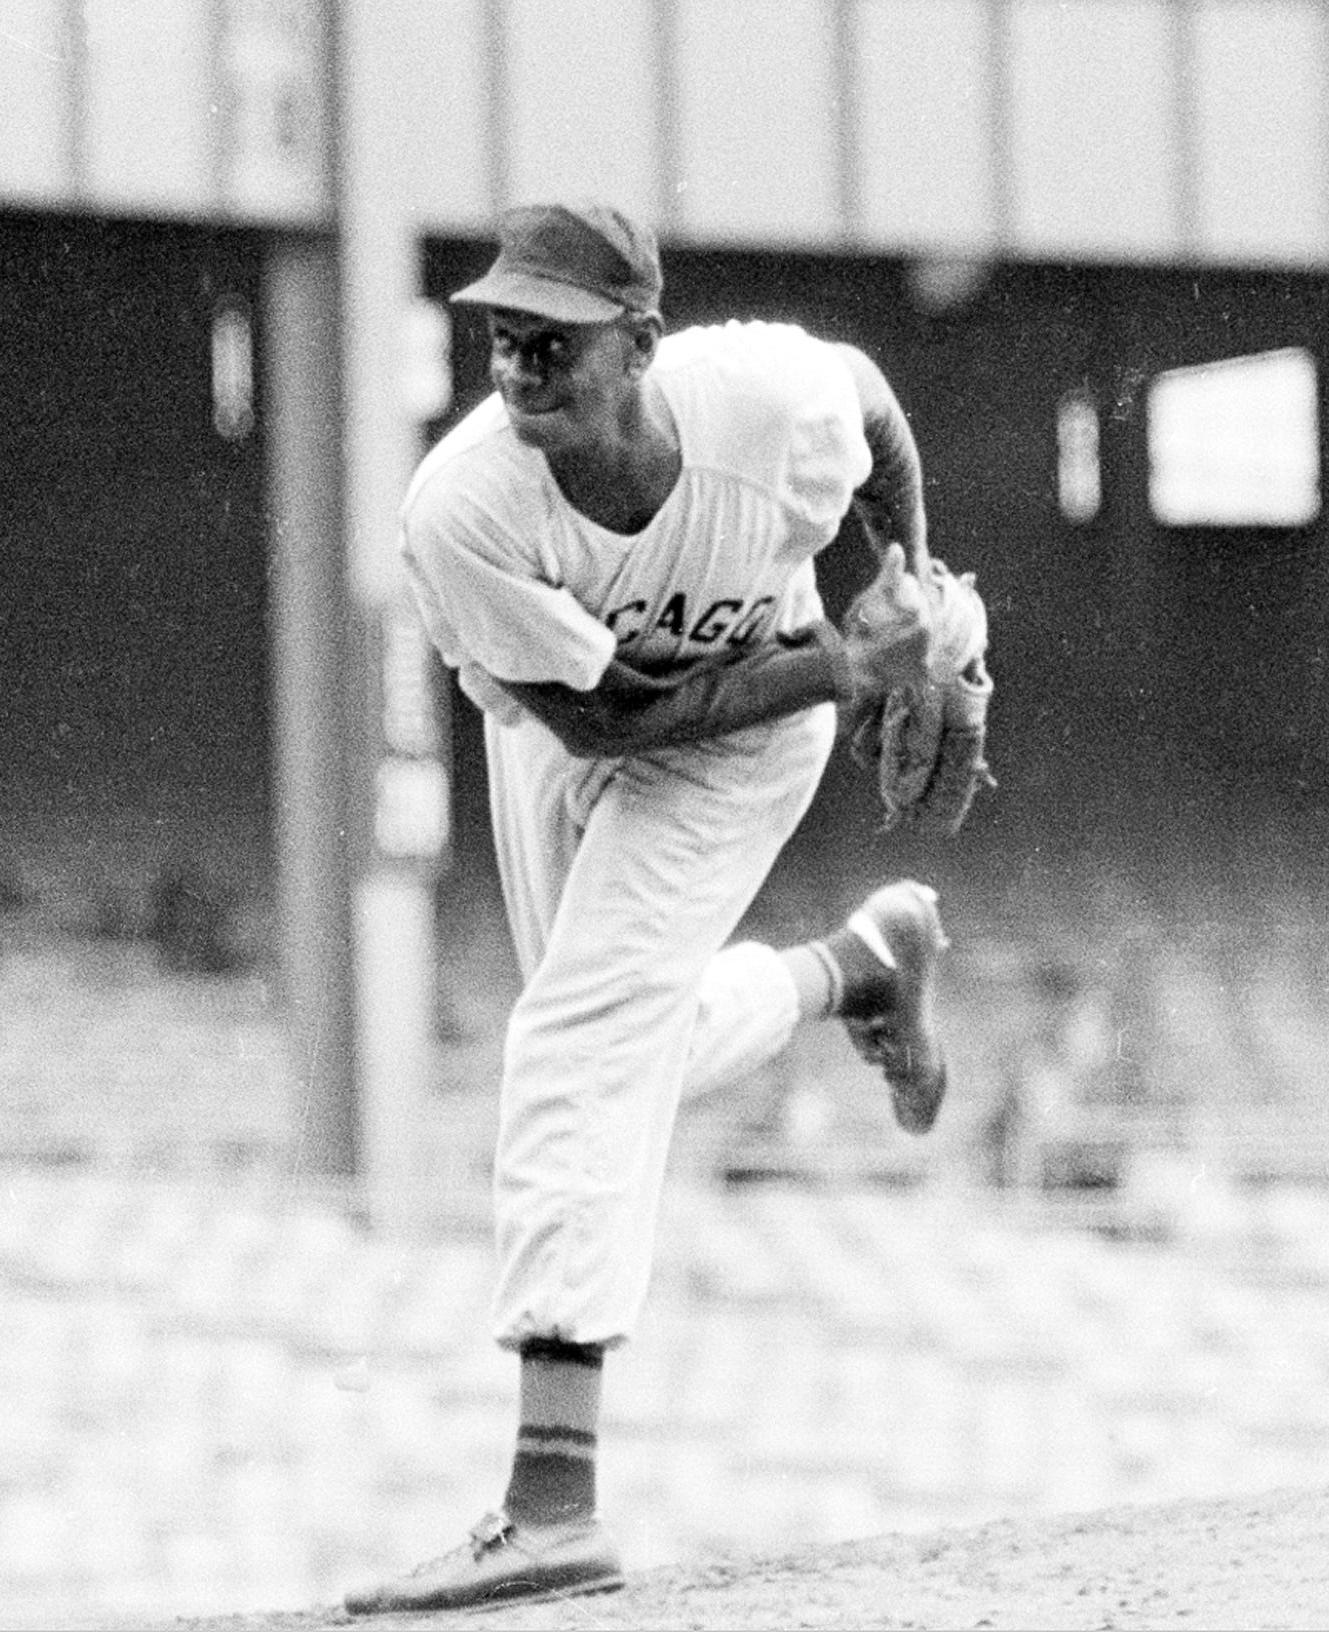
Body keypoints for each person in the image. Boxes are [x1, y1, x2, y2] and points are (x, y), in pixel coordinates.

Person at [343, 201, 970, 1615]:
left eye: (552, 340)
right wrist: (849, 669)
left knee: (574, 1051)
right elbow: (617, 723)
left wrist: (907, 582)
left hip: (746, 754)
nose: (516, 366)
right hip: (570, 734)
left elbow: (872, 412)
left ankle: (551, 1503)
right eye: (502, 334)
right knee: (620, 1054)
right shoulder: (461, 511)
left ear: (639, 343)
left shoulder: (761, 399)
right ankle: (856, 968)